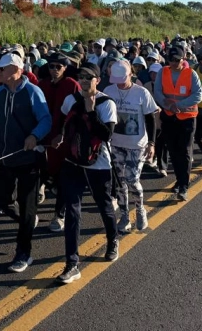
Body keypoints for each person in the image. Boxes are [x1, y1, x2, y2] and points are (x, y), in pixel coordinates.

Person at [0, 52, 52, 273]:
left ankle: (24, 252)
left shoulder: (33, 92)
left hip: (28, 160)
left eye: (3, 68)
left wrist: (35, 135)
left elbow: (46, 119)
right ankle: (27, 220)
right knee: (2, 201)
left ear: (17, 70)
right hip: (4, 158)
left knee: (27, 203)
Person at [54, 63, 119, 285]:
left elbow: (106, 135)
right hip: (72, 162)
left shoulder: (106, 103)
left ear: (97, 80)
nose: (83, 81)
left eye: (88, 77)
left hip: (98, 164)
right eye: (81, 77)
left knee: (105, 205)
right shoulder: (70, 100)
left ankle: (112, 239)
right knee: (72, 212)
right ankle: (72, 264)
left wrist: (91, 112)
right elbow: (62, 121)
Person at [103, 60, 158, 232]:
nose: (119, 82)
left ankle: (140, 209)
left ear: (130, 74)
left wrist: (151, 143)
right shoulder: (108, 91)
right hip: (116, 143)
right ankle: (125, 215)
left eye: (122, 78)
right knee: (120, 181)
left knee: (132, 179)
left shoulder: (141, 93)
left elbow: (150, 118)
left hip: (137, 144)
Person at [153, 46, 202, 200]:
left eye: (177, 60)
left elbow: (198, 95)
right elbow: (158, 92)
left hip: (186, 117)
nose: (174, 63)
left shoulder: (191, 74)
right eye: (171, 60)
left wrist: (178, 105)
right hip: (169, 116)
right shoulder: (163, 71)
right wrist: (168, 106)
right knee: (173, 152)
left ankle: (183, 186)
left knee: (185, 152)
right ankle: (179, 180)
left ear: (183, 59)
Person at [37, 53, 80, 233]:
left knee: (64, 179)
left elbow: (76, 113)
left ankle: (59, 215)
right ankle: (34, 209)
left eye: (58, 67)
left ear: (65, 68)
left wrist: (64, 133)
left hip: (64, 140)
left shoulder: (72, 85)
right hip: (44, 137)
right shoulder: (43, 85)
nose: (54, 70)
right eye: (51, 66)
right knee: (40, 173)